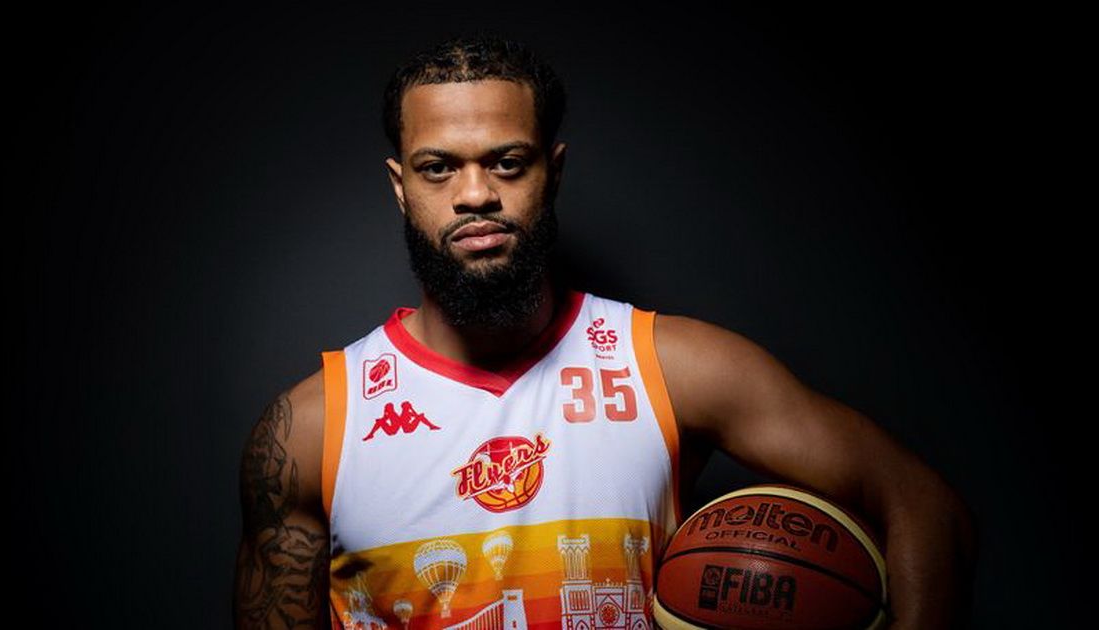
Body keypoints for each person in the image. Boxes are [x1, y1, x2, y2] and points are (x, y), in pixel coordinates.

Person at [234, 33, 978, 630]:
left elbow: (921, 505)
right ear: (401, 187)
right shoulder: (313, 428)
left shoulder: (673, 366)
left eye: (507, 162)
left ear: (552, 172)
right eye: (438, 168)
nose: (475, 194)